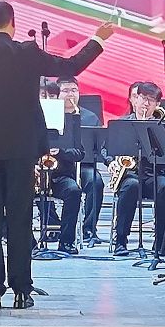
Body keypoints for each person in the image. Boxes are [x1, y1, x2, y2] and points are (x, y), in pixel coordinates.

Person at [0, 0, 113, 309]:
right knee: (21, 218)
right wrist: (98, 39)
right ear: (13, 24)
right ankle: (22, 290)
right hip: (22, 148)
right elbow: (70, 67)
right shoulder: (28, 52)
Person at [109, 81, 165, 260]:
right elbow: (106, 149)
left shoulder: (163, 127)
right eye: (143, 98)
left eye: (151, 100)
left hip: (154, 173)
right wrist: (111, 162)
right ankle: (121, 240)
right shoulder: (121, 124)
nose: (146, 103)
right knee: (131, 186)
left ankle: (161, 243)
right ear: (135, 100)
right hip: (129, 175)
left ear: (158, 104)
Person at [35, 82, 88, 253]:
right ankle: (29, 242)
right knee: (17, 191)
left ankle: (66, 241)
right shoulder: (25, 121)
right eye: (43, 96)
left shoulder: (71, 122)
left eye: (52, 96)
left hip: (61, 175)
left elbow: (79, 153)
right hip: (33, 175)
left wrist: (61, 151)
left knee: (74, 191)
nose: (48, 100)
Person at [58, 77, 104, 246]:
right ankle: (53, 225)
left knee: (96, 182)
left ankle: (89, 228)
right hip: (57, 165)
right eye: (65, 90)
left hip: (83, 164)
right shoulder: (49, 114)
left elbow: (101, 145)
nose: (70, 94)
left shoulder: (90, 117)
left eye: (74, 90)